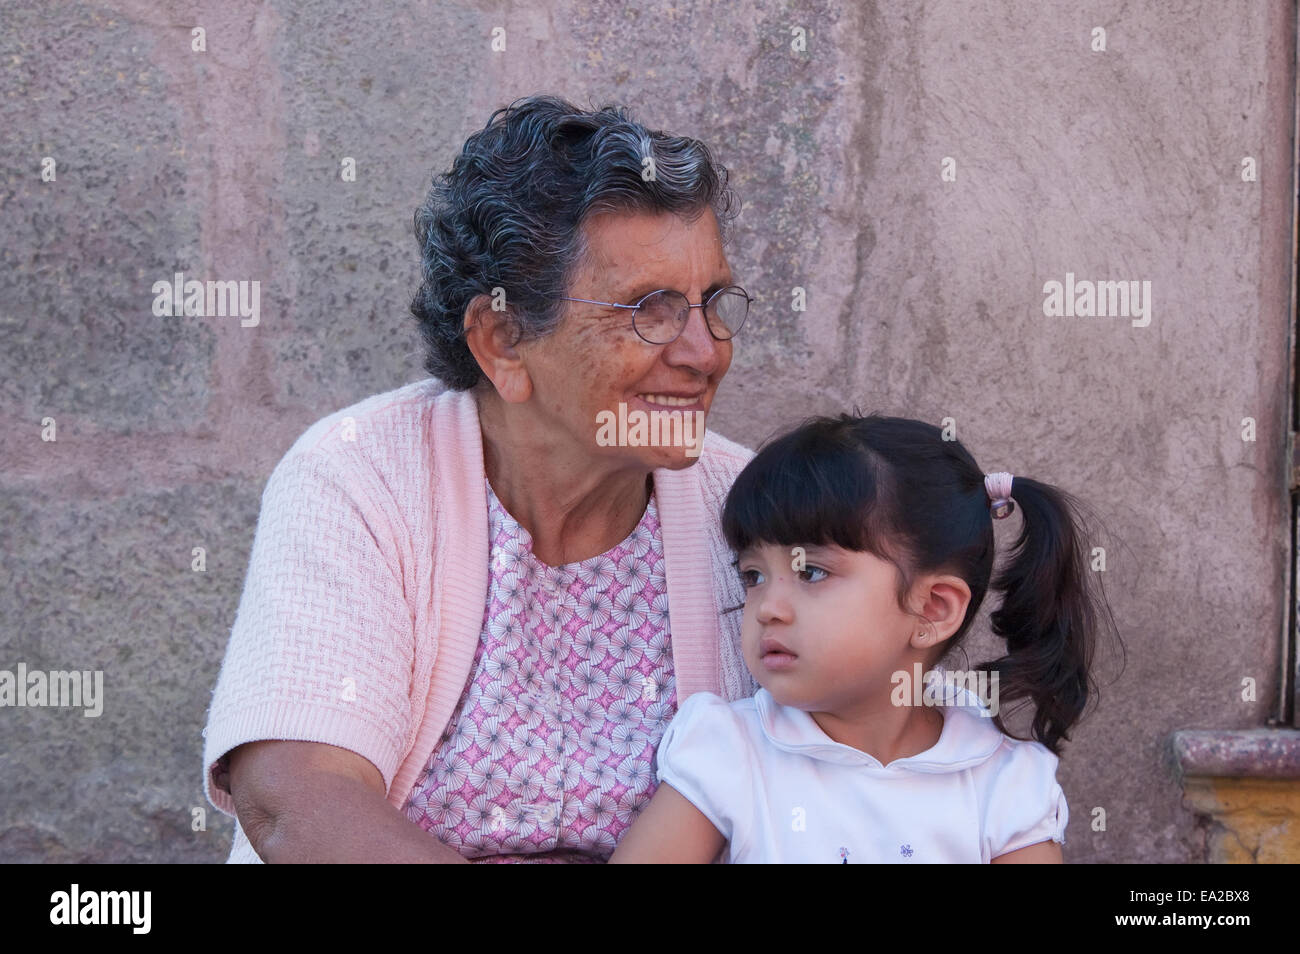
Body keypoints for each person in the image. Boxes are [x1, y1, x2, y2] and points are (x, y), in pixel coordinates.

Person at [201, 94, 758, 862]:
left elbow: (861, 753)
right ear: (502, 342)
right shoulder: (362, 476)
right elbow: (298, 798)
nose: (704, 351)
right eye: (648, 311)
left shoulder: (750, 507)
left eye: (710, 302)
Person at [609, 413, 1122, 863]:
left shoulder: (999, 780)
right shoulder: (732, 751)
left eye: (811, 573)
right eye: (752, 576)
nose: (768, 608)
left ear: (933, 609)